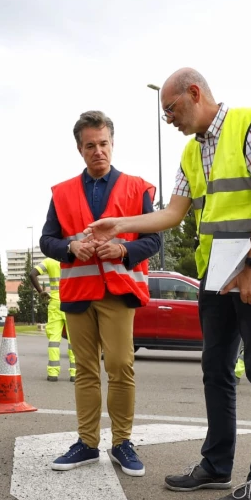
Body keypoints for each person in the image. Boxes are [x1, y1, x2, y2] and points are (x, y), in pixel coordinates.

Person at [87, 68, 251, 500]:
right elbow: (172, 213)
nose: (169, 119)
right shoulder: (191, 151)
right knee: (216, 371)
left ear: (195, 93)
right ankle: (217, 464)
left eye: (171, 109)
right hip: (216, 277)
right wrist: (120, 225)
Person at [39, 110, 161, 477]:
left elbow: (154, 238)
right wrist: (68, 249)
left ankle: (122, 442)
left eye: (103, 143)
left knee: (121, 366)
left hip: (119, 291)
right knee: (87, 371)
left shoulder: (136, 187)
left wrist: (124, 251)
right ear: (80, 149)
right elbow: (47, 240)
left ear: (112, 143)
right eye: (90, 145)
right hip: (78, 293)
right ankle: (87, 444)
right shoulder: (61, 193)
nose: (98, 151)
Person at [30, 257, 76, 382]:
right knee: (74, 341)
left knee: (54, 341)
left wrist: (41, 292)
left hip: (55, 303)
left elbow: (32, 274)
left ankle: (53, 373)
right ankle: (74, 374)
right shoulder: (74, 258)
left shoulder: (50, 261)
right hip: (72, 302)